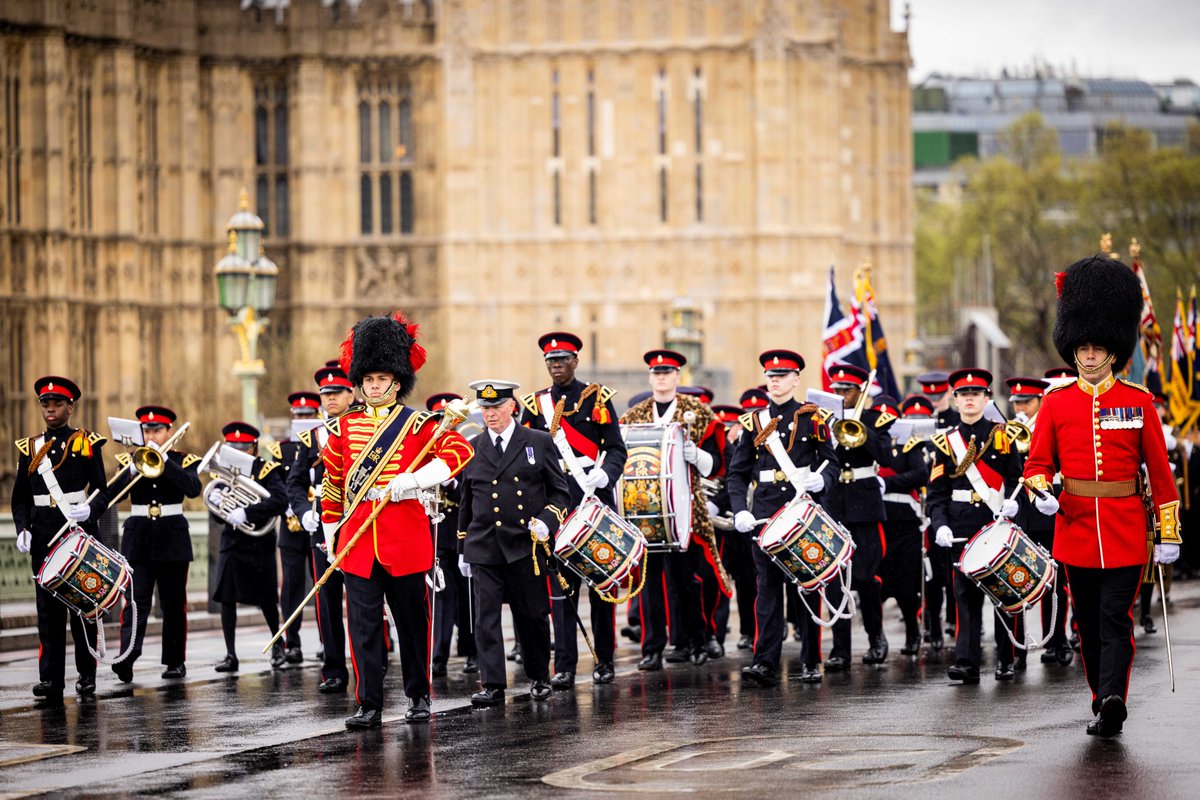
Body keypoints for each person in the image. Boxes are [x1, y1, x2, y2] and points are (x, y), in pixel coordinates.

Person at [1023, 255, 1180, 738]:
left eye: (1097, 349)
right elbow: (1036, 465)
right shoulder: (1055, 402)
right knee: (1088, 626)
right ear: (1073, 350)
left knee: (1116, 619)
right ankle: (1099, 696)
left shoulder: (1138, 403)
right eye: (1082, 349)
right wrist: (1041, 493)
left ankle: (1114, 698)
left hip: (1127, 528)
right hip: (1073, 528)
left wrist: (1169, 532)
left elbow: (1159, 470)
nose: (1089, 356)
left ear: (1113, 350)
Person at [320, 312, 474, 729]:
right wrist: (332, 533)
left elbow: (460, 453)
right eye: (367, 379)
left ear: (396, 381)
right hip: (358, 545)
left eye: (381, 378)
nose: (373, 385)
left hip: (405, 541)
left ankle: (419, 696)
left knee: (412, 625)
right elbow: (333, 486)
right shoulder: (341, 429)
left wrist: (417, 479)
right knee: (364, 630)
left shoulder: (417, 425)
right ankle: (368, 703)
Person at [518, 332, 626, 687]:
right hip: (558, 505)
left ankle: (604, 660)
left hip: (593, 501)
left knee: (600, 589)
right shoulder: (535, 405)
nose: (556, 366)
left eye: (562, 359)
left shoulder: (596, 398)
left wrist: (604, 475)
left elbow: (616, 449)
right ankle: (563, 665)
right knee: (562, 591)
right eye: (550, 361)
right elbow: (527, 454)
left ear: (575, 361)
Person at [457, 379, 571, 707]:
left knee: (532, 615)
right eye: (485, 408)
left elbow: (559, 491)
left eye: (496, 407)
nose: (490, 414)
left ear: (512, 407)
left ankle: (538, 675)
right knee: (486, 617)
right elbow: (468, 498)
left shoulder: (537, 441)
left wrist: (548, 521)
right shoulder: (474, 446)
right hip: (485, 544)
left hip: (525, 544)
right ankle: (493, 683)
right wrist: (464, 544)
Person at [727, 350, 836, 686]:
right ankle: (765, 662)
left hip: (802, 513)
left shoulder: (814, 418)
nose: (774, 381)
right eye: (770, 376)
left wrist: (824, 479)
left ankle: (810, 661)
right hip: (765, 514)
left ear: (796, 379)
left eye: (782, 375)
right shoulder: (753, 422)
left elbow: (832, 461)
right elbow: (737, 474)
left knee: (806, 588)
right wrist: (740, 508)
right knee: (768, 592)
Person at [620, 349, 725, 670]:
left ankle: (695, 642)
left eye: (667, 372)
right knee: (649, 586)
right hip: (644, 510)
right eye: (656, 373)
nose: (661, 377)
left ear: (678, 376)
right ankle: (652, 649)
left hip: (685, 508)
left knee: (687, 580)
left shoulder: (698, 412)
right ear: (650, 377)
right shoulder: (634, 416)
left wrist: (697, 456)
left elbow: (717, 464)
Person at [12, 376, 107, 705]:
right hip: (42, 535)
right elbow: (20, 499)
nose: (50, 408)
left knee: (82, 607)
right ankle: (50, 678)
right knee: (47, 611)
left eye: (57, 404)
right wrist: (22, 528)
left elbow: (102, 491)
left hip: (77, 533)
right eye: (45, 403)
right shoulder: (30, 448)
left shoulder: (86, 443)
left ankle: (86, 674)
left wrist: (90, 510)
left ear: (70, 407)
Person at [927, 369, 1023, 683]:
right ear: (955, 400)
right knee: (964, 596)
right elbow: (937, 494)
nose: (969, 399)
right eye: (963, 394)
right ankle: (967, 661)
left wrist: (1014, 504)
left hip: (994, 524)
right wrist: (938, 524)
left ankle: (1006, 658)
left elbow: (1015, 480)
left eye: (976, 394)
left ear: (986, 399)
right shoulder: (945, 443)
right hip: (959, 527)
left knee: (1001, 595)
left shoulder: (1003, 436)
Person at [109, 405, 201, 682]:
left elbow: (193, 488)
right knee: (135, 602)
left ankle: (174, 661)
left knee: (173, 604)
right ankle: (127, 656)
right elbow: (113, 493)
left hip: (173, 539)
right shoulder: (128, 459)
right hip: (139, 540)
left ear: (169, 432)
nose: (151, 435)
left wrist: (164, 460)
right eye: (147, 430)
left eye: (157, 430)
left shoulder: (184, 460)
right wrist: (134, 465)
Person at [288, 363, 357, 693]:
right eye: (325, 394)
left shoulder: (362, 427)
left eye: (336, 393)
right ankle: (333, 668)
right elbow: (295, 483)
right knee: (326, 601)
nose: (329, 399)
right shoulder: (312, 438)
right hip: (322, 529)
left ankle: (369, 662)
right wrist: (303, 513)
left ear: (350, 394)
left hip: (358, 525)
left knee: (362, 598)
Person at [824, 364, 893, 668]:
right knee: (834, 579)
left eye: (846, 391)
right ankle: (840, 649)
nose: (840, 395)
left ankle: (876, 637)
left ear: (858, 392)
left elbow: (887, 457)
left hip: (864, 504)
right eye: (836, 390)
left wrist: (862, 432)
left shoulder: (874, 418)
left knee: (866, 578)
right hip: (834, 504)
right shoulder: (823, 420)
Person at [210, 421, 288, 673]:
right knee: (227, 597)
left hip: (258, 542)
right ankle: (230, 653)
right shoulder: (223, 474)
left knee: (266, 598)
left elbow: (279, 500)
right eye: (232, 447)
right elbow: (218, 516)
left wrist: (248, 512)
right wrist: (217, 501)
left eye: (242, 448)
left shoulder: (266, 470)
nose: (238, 452)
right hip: (232, 541)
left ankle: (278, 643)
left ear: (253, 448)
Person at [1006, 376, 1072, 667]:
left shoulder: (1053, 425)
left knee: (1055, 583)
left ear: (1039, 403)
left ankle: (1057, 641)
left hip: (1047, 510)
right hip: (1020, 512)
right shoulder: (1005, 432)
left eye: (1027, 402)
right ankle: (1017, 651)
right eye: (1017, 402)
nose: (1021, 407)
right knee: (1016, 581)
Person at [425, 391, 478, 678]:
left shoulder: (465, 448)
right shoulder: (424, 450)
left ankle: (471, 651)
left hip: (460, 528)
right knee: (440, 596)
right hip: (434, 530)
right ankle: (438, 655)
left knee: (467, 595)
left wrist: (453, 483)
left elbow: (472, 491)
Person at [269, 390, 320, 665]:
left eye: (308, 415)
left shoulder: (324, 443)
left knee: (323, 584)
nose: (303, 418)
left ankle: (327, 641)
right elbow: (276, 485)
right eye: (299, 415)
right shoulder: (283, 450)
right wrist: (289, 507)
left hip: (319, 522)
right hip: (292, 526)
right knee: (291, 586)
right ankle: (293, 642)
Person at [876, 395, 928, 657]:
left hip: (903, 519)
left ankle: (913, 632)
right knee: (876, 581)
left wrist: (890, 483)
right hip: (875, 517)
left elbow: (921, 474)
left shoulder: (909, 442)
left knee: (906, 583)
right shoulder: (867, 440)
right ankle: (877, 640)